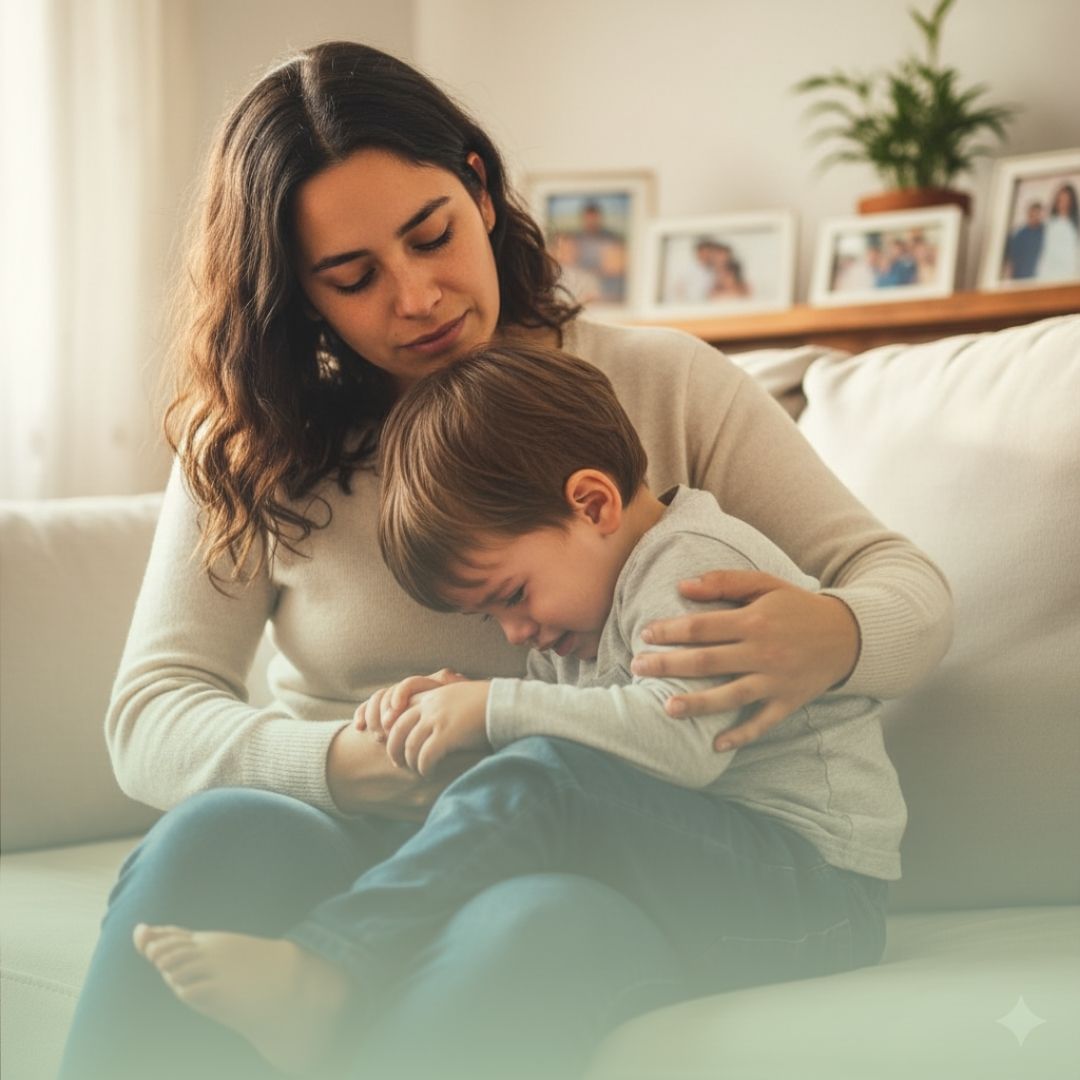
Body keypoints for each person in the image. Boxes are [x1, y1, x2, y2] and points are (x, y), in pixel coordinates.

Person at [57, 39, 951, 1080]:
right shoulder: (254, 445)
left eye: (431, 235)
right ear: (299, 294)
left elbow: (909, 590)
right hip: (366, 836)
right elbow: (152, 711)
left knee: (536, 922)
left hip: (613, 847)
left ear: (478, 189)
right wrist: (347, 766)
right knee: (211, 842)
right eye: (353, 278)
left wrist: (834, 634)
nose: (418, 296)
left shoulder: (659, 384)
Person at [134, 342, 907, 1078]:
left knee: (543, 777)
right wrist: (435, 709)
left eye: (511, 595)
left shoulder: (697, 567)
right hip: (715, 864)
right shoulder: (578, 623)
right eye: (492, 621)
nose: (516, 634)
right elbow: (590, 743)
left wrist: (496, 706)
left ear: (593, 503)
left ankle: (331, 966)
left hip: (816, 890)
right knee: (535, 777)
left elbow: (677, 749)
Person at [1035, 181, 1080, 282]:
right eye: (1060, 200)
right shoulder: (1048, 224)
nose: (1063, 203)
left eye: (1067, 200)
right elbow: (1044, 251)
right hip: (1048, 274)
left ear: (1071, 202)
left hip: (1070, 274)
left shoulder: (1076, 225)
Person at [1002, 200, 1045, 280]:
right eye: (1033, 213)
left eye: (1037, 214)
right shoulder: (1019, 234)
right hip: (1019, 277)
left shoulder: (1045, 233)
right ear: (1029, 214)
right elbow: (1010, 261)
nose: (1035, 217)